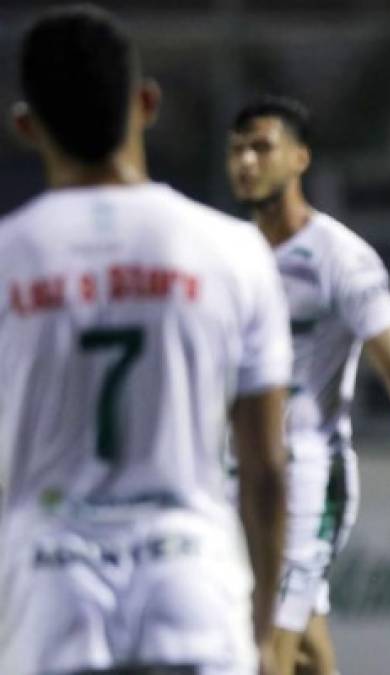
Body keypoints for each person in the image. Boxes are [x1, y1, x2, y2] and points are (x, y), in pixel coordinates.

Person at [0, 6, 290, 675]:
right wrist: (268, 627)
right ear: (147, 102)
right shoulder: (234, 250)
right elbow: (265, 467)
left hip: (50, 600)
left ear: (25, 125)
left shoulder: (10, 256)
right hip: (192, 589)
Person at [225, 95, 390, 675]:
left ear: (299, 159)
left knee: (260, 646)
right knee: (306, 651)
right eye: (237, 149)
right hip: (234, 474)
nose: (246, 161)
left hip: (307, 476)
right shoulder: (228, 254)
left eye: (261, 147)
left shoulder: (340, 257)